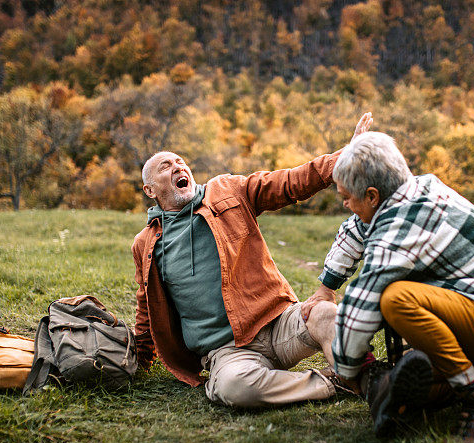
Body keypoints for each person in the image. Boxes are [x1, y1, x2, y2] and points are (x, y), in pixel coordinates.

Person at [306, 131, 474, 443]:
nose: (343, 203)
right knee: (419, 353)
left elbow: (364, 298)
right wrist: (327, 285)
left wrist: (346, 366)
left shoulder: (403, 222)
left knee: (396, 299)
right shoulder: (408, 191)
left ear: (372, 196)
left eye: (347, 197)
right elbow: (356, 229)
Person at [131, 113, 373, 408]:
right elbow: (148, 306)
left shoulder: (227, 190)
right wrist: (139, 360)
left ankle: (374, 381)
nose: (177, 166)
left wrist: (346, 156)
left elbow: (290, 182)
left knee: (328, 315)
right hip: (228, 351)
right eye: (164, 167)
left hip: (280, 323)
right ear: (150, 190)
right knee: (235, 388)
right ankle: (332, 383)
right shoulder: (146, 244)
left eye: (180, 161)